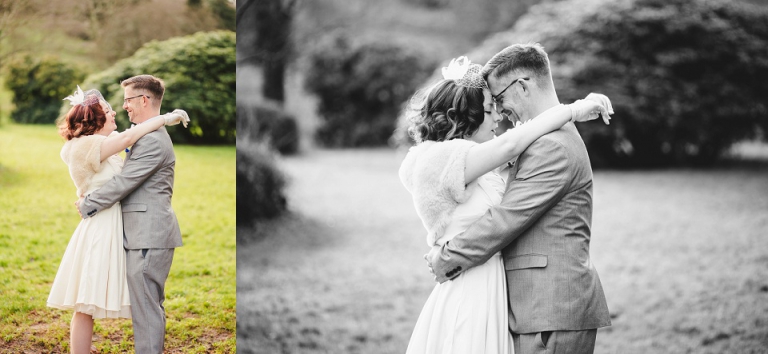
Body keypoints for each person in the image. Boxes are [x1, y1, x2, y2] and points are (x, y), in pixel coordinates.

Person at [400, 55, 611, 354]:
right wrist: (574, 110)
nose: (499, 114)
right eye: (490, 107)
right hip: (476, 288)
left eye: (498, 100)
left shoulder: (544, 147)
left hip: (541, 302)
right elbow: (510, 147)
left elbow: (507, 213)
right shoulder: (448, 159)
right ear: (463, 117)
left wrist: (447, 257)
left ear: (522, 87)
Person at [47, 85, 189, 354]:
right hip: (100, 225)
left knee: (96, 298)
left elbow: (126, 155)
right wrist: (164, 118)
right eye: (109, 110)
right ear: (95, 121)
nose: (116, 112)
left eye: (121, 104)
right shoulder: (87, 145)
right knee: (85, 298)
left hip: (116, 224)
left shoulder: (104, 146)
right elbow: (127, 142)